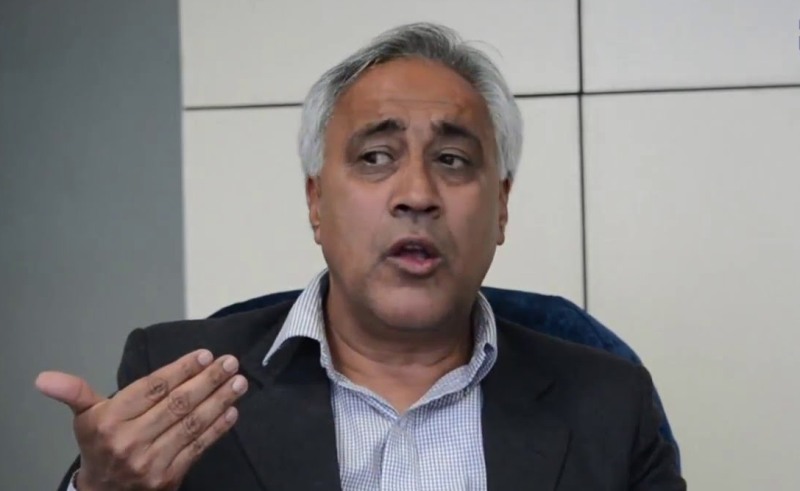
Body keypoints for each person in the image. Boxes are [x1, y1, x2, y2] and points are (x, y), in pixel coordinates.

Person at [36, 23, 686, 491]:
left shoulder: (610, 403)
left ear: (502, 207)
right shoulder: (179, 380)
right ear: (316, 201)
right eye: (375, 157)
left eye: (452, 159)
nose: (417, 194)